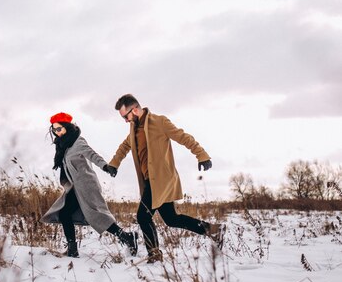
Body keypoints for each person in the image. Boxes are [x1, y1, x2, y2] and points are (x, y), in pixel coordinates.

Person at [104, 94, 225, 263]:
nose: (125, 120)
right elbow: (125, 146)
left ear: (135, 109)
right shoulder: (133, 128)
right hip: (149, 181)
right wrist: (114, 164)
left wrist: (202, 155)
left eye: (126, 116)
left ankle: (154, 254)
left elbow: (183, 137)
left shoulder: (159, 122)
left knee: (143, 217)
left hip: (161, 179)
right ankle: (213, 230)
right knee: (171, 219)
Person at [41, 112, 138, 258]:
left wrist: (106, 166)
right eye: (54, 130)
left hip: (87, 186)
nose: (57, 133)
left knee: (97, 216)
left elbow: (92, 155)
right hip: (75, 187)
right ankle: (73, 250)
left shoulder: (77, 142)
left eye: (59, 129)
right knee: (65, 213)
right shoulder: (64, 145)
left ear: (67, 127)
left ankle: (127, 237)